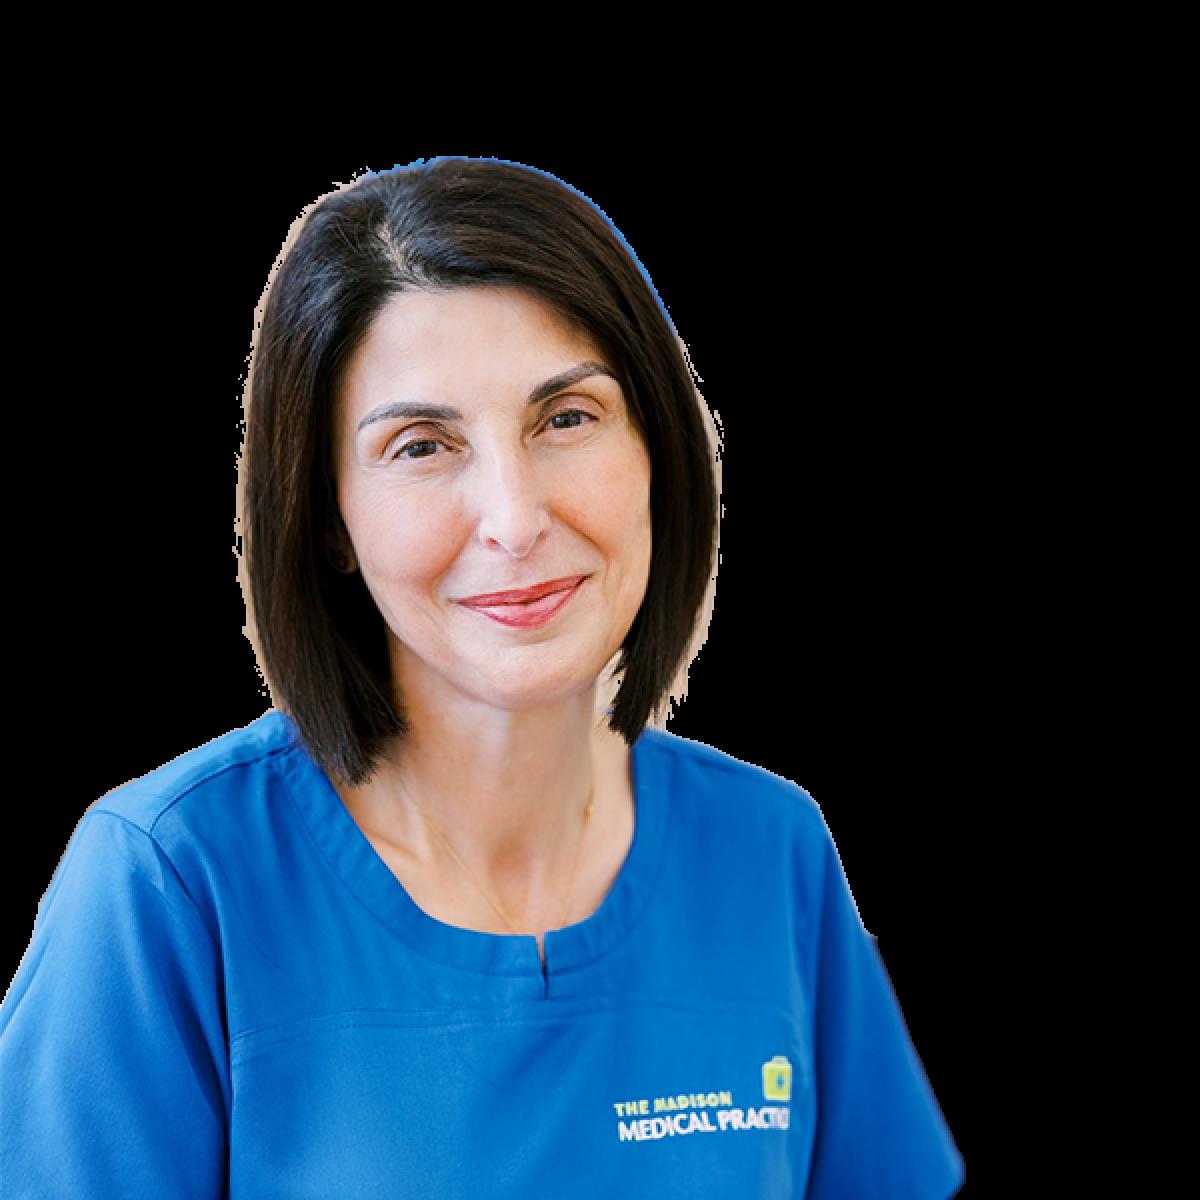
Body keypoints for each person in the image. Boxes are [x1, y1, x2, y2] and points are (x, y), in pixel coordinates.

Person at [0, 157, 964, 1197]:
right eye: (421, 446)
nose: (514, 518)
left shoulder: (772, 851)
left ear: (659, 450)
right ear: (328, 516)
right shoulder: (169, 886)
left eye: (567, 419)